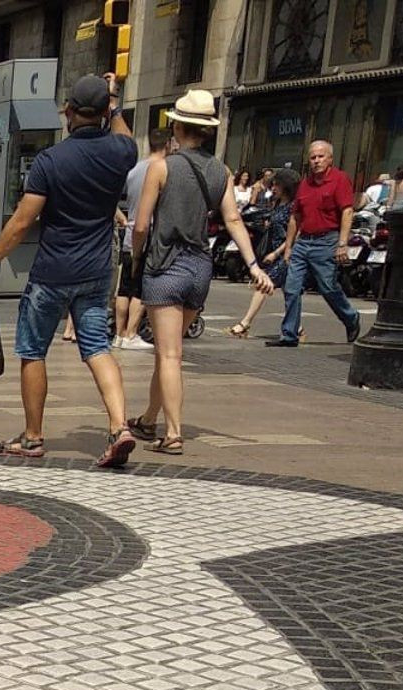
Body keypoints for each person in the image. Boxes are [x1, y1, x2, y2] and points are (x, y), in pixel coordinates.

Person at [0, 72, 139, 468]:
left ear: (68, 111)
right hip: (96, 271)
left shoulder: (51, 160)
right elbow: (127, 137)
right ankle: (119, 426)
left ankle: (32, 437)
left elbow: (22, 221)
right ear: (102, 112)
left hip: (51, 272)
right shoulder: (120, 153)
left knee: (33, 351)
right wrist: (113, 104)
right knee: (97, 347)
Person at [127, 91, 273, 456]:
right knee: (168, 352)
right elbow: (233, 219)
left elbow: (141, 225)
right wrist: (254, 264)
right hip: (199, 268)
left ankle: (173, 432)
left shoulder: (161, 167)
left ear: (177, 125)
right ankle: (148, 419)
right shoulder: (220, 171)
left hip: (165, 266)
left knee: (170, 354)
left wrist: (137, 258)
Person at [267, 140, 361, 347]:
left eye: (321, 156)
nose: (316, 161)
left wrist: (342, 243)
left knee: (327, 287)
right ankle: (289, 334)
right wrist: (289, 247)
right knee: (291, 287)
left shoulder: (339, 179)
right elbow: (295, 217)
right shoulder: (305, 184)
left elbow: (347, 211)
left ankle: (350, 317)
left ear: (330, 159)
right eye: (313, 157)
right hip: (304, 241)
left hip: (326, 240)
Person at [228, 168, 299, 339]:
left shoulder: (293, 207)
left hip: (285, 253)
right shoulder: (276, 203)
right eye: (273, 185)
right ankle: (298, 328)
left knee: (263, 285)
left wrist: (277, 253)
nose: (273, 189)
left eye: (277, 185)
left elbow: (294, 234)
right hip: (271, 250)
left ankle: (245, 323)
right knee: (290, 291)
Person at [114, 130, 169, 351]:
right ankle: (131, 333)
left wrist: (123, 219)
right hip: (149, 235)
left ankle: (118, 334)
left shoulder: (134, 170)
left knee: (124, 287)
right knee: (141, 289)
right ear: (168, 144)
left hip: (129, 232)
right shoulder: (163, 170)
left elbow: (113, 200)